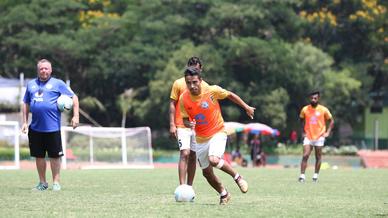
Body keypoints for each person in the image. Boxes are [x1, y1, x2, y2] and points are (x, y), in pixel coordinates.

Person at [179, 67, 255, 205]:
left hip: (217, 132)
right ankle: (224, 193)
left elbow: (230, 95)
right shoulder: (183, 98)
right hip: (200, 139)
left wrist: (246, 107)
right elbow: (184, 118)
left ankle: (237, 177)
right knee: (207, 173)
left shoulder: (211, 90)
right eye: (188, 83)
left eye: (195, 82)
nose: (192, 86)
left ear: (200, 80)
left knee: (214, 159)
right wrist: (188, 124)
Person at [21, 59, 79, 191]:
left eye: (46, 68)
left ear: (51, 70)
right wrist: (24, 122)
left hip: (52, 128)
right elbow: (26, 103)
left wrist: (76, 116)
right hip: (35, 128)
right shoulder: (31, 85)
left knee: (54, 156)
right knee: (39, 156)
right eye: (41, 68)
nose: (44, 71)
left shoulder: (58, 84)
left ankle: (56, 183)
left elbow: (74, 97)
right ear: (38, 70)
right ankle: (42, 183)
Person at [169, 57, 209, 186]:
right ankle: (182, 186)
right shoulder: (179, 83)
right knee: (184, 153)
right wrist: (172, 124)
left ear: (200, 69)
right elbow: (172, 104)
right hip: (182, 124)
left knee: (193, 155)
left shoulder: (205, 86)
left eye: (196, 68)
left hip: (197, 127)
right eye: (191, 67)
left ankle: (189, 186)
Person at [298, 91, 334, 183]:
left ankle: (315, 176)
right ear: (309, 98)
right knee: (305, 155)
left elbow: (331, 121)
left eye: (315, 98)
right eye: (312, 98)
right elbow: (301, 120)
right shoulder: (305, 109)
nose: (313, 100)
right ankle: (302, 176)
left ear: (318, 99)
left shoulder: (323, 109)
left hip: (319, 136)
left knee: (318, 157)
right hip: (308, 136)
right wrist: (303, 132)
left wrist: (328, 132)